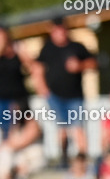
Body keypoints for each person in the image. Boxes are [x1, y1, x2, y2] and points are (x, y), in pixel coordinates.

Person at [32, 18, 96, 165]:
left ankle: (82, 160)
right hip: (55, 96)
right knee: (62, 129)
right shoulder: (47, 49)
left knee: (78, 128)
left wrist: (80, 65)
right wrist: (43, 90)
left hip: (75, 96)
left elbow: (93, 62)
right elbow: (37, 68)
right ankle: (64, 159)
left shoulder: (77, 47)